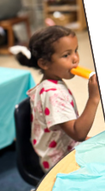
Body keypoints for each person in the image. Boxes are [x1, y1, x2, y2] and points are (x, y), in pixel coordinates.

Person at [14, 26, 100, 172]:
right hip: (58, 162)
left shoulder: (51, 83)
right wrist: (94, 98)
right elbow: (79, 134)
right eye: (66, 55)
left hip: (66, 146)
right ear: (44, 64)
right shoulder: (53, 94)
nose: (75, 59)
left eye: (76, 50)